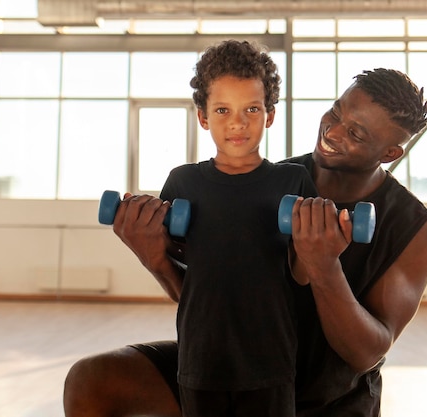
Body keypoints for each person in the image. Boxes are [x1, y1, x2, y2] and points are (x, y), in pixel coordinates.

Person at [63, 67, 427, 417]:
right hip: (236, 371)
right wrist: (156, 259)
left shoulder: (415, 228)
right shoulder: (270, 178)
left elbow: (366, 354)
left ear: (390, 154)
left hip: (328, 400)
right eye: (335, 112)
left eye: (357, 133)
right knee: (94, 380)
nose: (333, 132)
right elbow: (214, 304)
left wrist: (324, 267)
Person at [107, 39, 317, 417]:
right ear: (203, 116)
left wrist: (320, 250)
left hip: (271, 361)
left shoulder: (294, 181)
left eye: (251, 109)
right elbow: (186, 286)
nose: (237, 122)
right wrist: (149, 251)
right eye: (222, 110)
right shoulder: (182, 183)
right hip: (201, 361)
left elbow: (300, 276)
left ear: (269, 115)